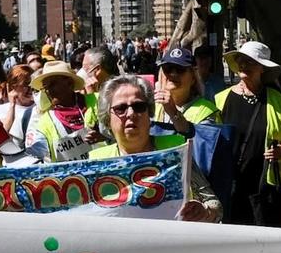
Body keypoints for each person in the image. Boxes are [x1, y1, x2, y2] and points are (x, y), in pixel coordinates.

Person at [88, 75, 217, 222]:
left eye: (139, 107)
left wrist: (204, 212)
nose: (131, 114)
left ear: (149, 114)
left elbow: (215, 206)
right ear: (107, 119)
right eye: (121, 108)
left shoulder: (176, 151)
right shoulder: (96, 163)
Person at [214, 40, 281, 227]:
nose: (244, 65)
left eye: (250, 61)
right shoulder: (221, 100)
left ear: (263, 68)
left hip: (268, 188)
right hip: (232, 186)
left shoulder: (278, 100)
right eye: (241, 60)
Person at [26, 61, 98, 162]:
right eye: (45, 87)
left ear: (69, 83)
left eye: (52, 84)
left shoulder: (98, 101)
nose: (48, 90)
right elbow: (37, 158)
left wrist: (103, 136)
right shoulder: (44, 123)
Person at [153, 45, 219, 135]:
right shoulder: (152, 107)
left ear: (193, 78)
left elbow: (205, 145)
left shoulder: (207, 111)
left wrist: (174, 113)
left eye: (180, 69)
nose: (173, 73)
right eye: (167, 68)